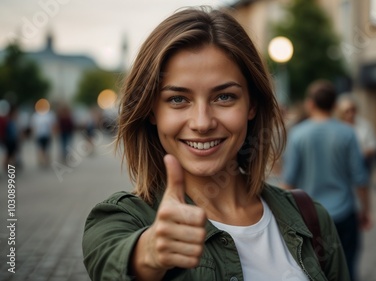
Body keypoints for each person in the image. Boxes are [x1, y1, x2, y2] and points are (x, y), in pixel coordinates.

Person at [82, 7, 349, 281]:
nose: (202, 122)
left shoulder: (311, 218)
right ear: (152, 111)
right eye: (177, 99)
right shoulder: (118, 219)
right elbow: (110, 260)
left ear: (252, 104)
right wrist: (149, 253)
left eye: (224, 97)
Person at [282, 80, 371, 281]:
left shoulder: (298, 134)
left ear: (310, 104)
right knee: (346, 269)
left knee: (312, 272)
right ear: (334, 105)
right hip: (344, 213)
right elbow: (361, 179)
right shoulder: (348, 133)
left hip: (309, 218)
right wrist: (365, 211)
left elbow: (288, 181)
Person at [336, 94, 376, 176]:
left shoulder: (365, 125)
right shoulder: (336, 126)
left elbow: (374, 145)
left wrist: (359, 153)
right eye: (347, 111)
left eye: (353, 110)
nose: (350, 114)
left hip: (362, 165)